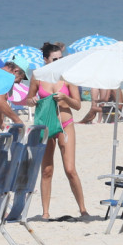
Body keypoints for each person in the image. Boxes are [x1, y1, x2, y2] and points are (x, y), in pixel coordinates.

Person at [34, 43, 90, 222]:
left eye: (61, 58)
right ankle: (45, 213)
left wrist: (65, 97)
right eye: (55, 59)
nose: (59, 62)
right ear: (46, 59)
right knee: (47, 170)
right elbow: (28, 98)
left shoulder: (67, 77)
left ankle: (83, 209)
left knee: (70, 169)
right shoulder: (38, 76)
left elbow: (78, 105)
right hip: (46, 125)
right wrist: (32, 100)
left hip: (65, 124)